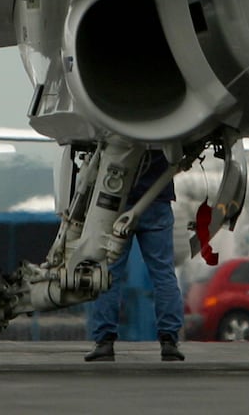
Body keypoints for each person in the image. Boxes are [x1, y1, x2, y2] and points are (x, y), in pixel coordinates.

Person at [84, 150, 186, 362]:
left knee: (109, 274)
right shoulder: (164, 122)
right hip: (157, 200)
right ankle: (169, 341)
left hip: (118, 201)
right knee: (163, 273)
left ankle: (104, 342)